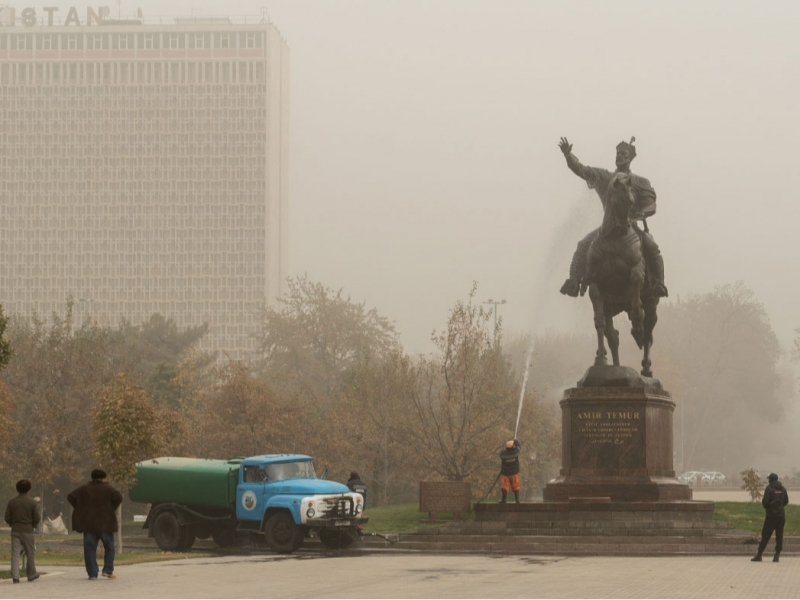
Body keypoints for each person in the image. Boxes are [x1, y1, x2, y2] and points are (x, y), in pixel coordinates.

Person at [557, 137, 668, 299]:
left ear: (630, 158)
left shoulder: (640, 181)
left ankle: (658, 284)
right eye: (618, 154)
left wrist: (641, 214)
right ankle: (574, 282)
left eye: (623, 154)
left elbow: (651, 205)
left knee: (652, 246)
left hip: (631, 227)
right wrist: (568, 155)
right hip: (607, 228)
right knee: (582, 245)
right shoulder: (605, 176)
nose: (619, 156)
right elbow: (582, 170)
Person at [68, 469, 123, 580]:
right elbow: (119, 497)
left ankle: (92, 573)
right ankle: (107, 570)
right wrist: (111, 508)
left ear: (92, 477)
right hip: (105, 523)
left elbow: (71, 496)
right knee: (110, 547)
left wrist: (81, 508)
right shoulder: (108, 489)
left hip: (89, 525)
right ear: (103, 478)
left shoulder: (85, 488)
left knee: (89, 549)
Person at [4, 479, 41, 584]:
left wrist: (13, 524)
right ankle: (31, 574)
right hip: (27, 530)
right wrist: (31, 525)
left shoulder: (12, 502)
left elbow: (7, 517)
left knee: (15, 553)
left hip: (15, 530)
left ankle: (15, 577)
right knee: (30, 552)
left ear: (17, 489)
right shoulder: (32, 502)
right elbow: (37, 518)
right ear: (29, 489)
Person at [751, 473, 789, 563]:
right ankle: (777, 556)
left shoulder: (769, 488)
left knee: (766, 535)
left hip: (771, 515)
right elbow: (786, 501)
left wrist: (770, 508)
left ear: (770, 479)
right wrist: (779, 507)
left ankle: (759, 555)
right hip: (781, 515)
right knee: (779, 536)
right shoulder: (783, 489)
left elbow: (765, 502)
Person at [499, 439, 522, 504]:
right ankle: (517, 500)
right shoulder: (515, 452)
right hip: (514, 473)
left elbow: (500, 454)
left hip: (505, 473)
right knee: (516, 486)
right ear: (513, 446)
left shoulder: (503, 454)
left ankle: (504, 500)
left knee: (504, 487)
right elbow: (519, 447)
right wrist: (515, 441)